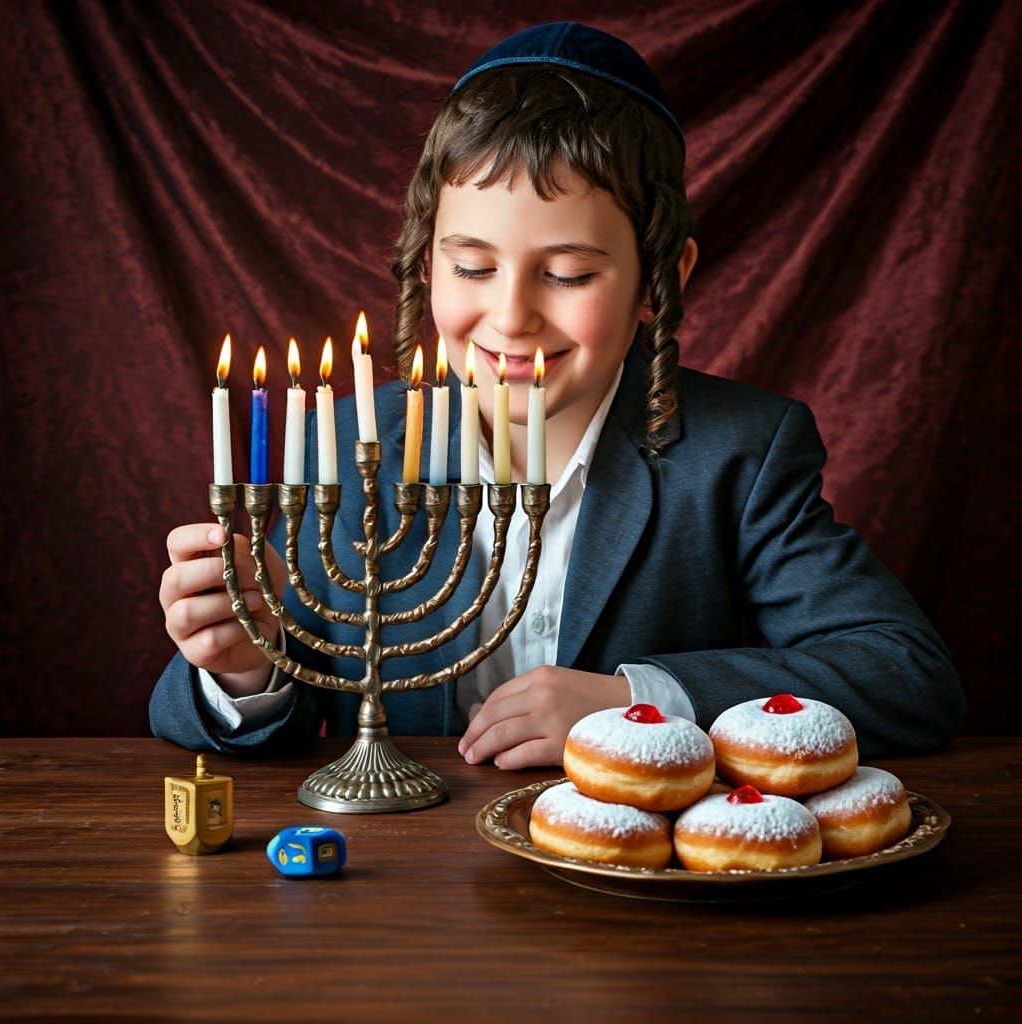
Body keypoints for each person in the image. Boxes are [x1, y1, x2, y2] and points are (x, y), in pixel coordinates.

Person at [150, 22, 965, 767]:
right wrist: (244, 667)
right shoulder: (343, 446)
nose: (510, 317)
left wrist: (639, 702)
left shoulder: (737, 454)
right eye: (472, 266)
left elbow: (908, 677)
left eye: (570, 273)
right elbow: (235, 716)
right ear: (423, 261)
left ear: (660, 280)